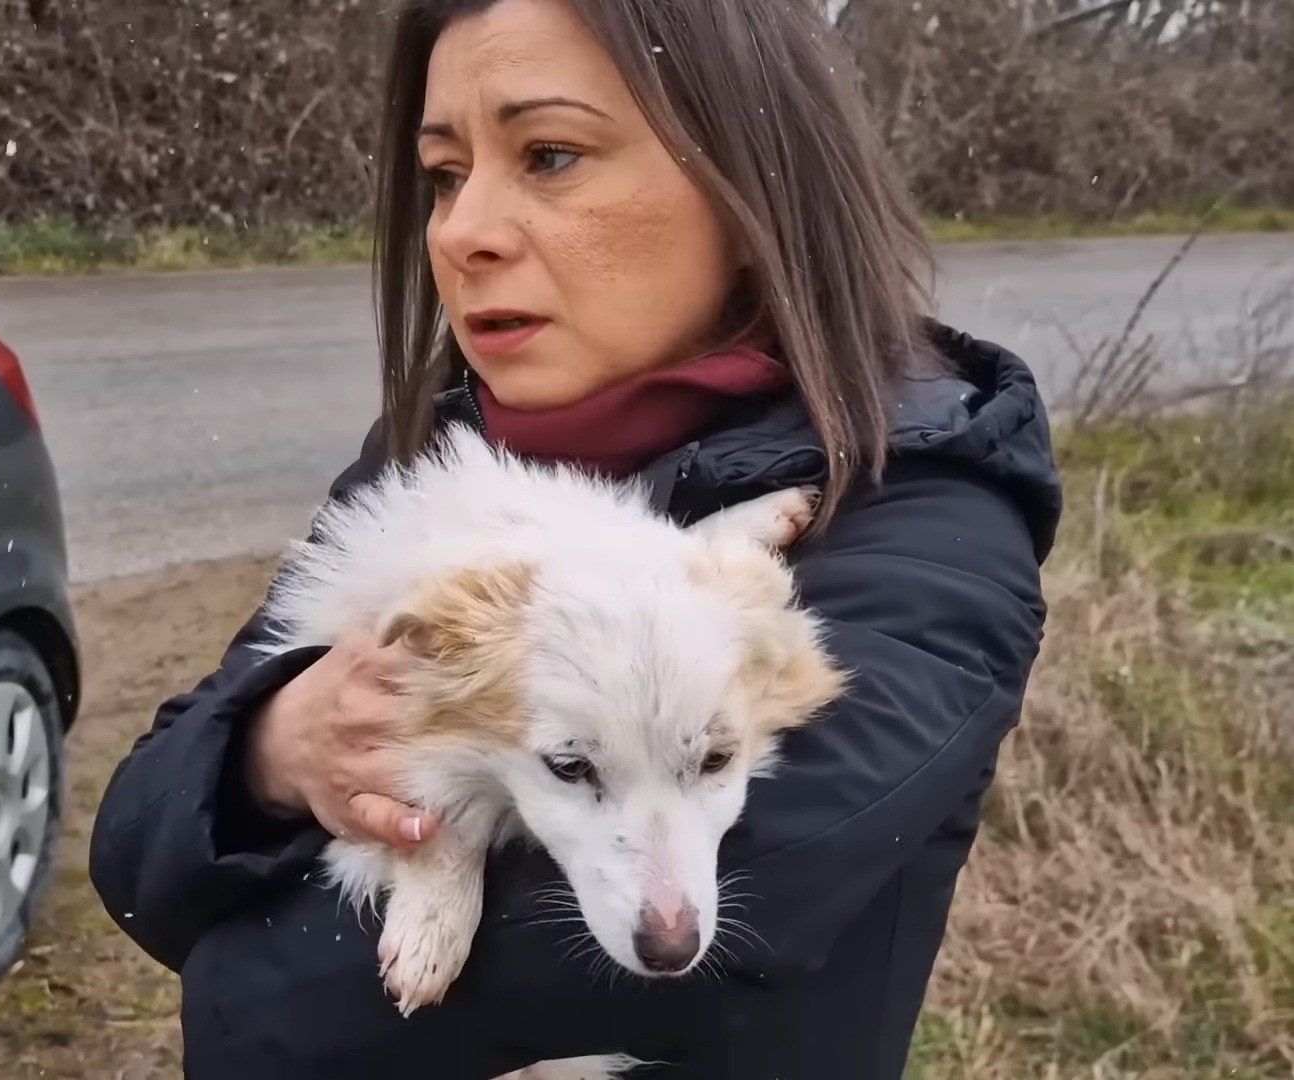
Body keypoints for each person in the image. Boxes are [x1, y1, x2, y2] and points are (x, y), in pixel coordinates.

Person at [88, 0, 1062, 1076]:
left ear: (752, 187)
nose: (462, 232)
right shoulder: (431, 465)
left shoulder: (916, 509)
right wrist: (275, 748)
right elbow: (137, 851)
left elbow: (738, 916)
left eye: (549, 154)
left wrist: (228, 970)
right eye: (446, 174)